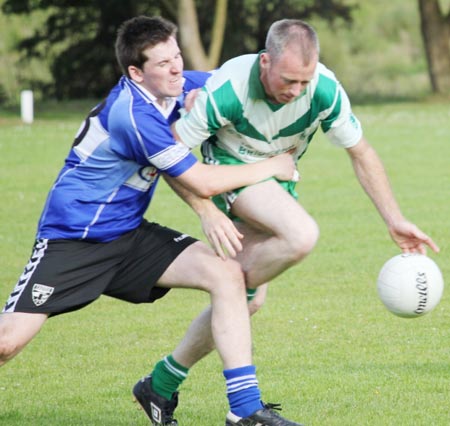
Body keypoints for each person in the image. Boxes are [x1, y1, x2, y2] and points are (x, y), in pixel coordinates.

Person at [0, 16, 304, 426]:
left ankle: (245, 409)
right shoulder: (132, 116)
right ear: (136, 73)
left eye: (177, 56)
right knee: (7, 343)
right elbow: (199, 179)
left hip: (128, 237)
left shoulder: (178, 85)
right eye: (163, 64)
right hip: (72, 242)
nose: (177, 68)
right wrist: (272, 166)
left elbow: (239, 75)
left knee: (228, 275)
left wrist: (290, 69)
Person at [145, 18, 441, 424]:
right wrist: (207, 210)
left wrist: (395, 219)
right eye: (288, 80)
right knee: (301, 234)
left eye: (304, 82)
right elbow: (169, 155)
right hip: (231, 173)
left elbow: (362, 152)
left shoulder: (324, 89)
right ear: (265, 61)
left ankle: (159, 384)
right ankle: (244, 411)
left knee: (244, 300)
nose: (296, 91)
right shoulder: (227, 91)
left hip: (277, 181)